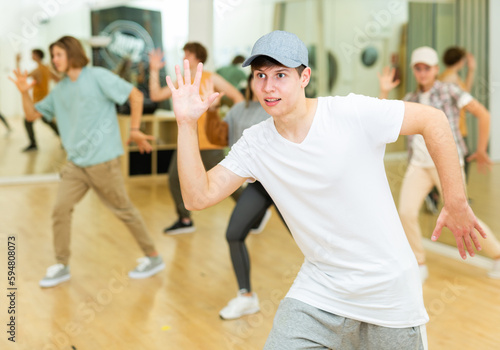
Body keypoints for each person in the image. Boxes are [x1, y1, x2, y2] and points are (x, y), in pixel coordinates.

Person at [167, 30, 487, 349]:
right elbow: (199, 197)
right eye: (260, 75)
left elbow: (434, 121)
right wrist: (186, 124)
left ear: (304, 76)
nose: (268, 86)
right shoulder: (256, 142)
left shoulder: (349, 114)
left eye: (281, 75)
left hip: (387, 294)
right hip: (320, 290)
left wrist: (455, 201)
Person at [9, 36, 165, 288]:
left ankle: (154, 257)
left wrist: (134, 129)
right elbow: (31, 114)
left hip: (103, 162)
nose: (54, 60)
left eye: (58, 54)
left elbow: (135, 95)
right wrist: (24, 93)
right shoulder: (60, 89)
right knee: (60, 210)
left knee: (124, 211)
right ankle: (62, 265)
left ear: (72, 54)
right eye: (53, 55)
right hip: (75, 165)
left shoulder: (97, 76)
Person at [378, 46, 500, 283]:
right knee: (405, 212)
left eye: (427, 68)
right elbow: (383, 120)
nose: (422, 73)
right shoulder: (411, 99)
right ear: (415, 71)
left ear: (435, 69)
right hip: (419, 165)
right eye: (418, 68)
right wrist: (384, 91)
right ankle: (419, 263)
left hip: (446, 165)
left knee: (462, 213)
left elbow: (483, 114)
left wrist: (482, 149)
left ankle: (498, 255)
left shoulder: (450, 91)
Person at [204, 74, 289, 320]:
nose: (264, 83)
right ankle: (246, 297)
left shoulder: (277, 107)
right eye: (258, 77)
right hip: (260, 185)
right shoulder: (240, 109)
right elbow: (219, 138)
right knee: (233, 234)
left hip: (286, 184)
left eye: (273, 76)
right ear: (250, 82)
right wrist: (212, 110)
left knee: (310, 240)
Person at [149, 42, 244, 234]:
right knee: (175, 179)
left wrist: (220, 113)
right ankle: (185, 220)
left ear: (196, 57)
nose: (184, 56)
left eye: (187, 53)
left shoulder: (212, 78)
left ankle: (254, 209)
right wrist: (153, 70)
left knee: (228, 183)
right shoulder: (182, 81)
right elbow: (156, 95)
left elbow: (238, 98)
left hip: (210, 141)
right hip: (187, 142)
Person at [16, 49, 60, 152]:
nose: (31, 56)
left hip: (39, 101)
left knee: (28, 121)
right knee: (47, 120)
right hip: (46, 100)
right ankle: (62, 138)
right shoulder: (46, 68)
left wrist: (17, 61)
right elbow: (57, 79)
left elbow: (21, 76)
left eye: (32, 54)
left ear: (36, 56)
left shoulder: (39, 70)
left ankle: (33, 144)